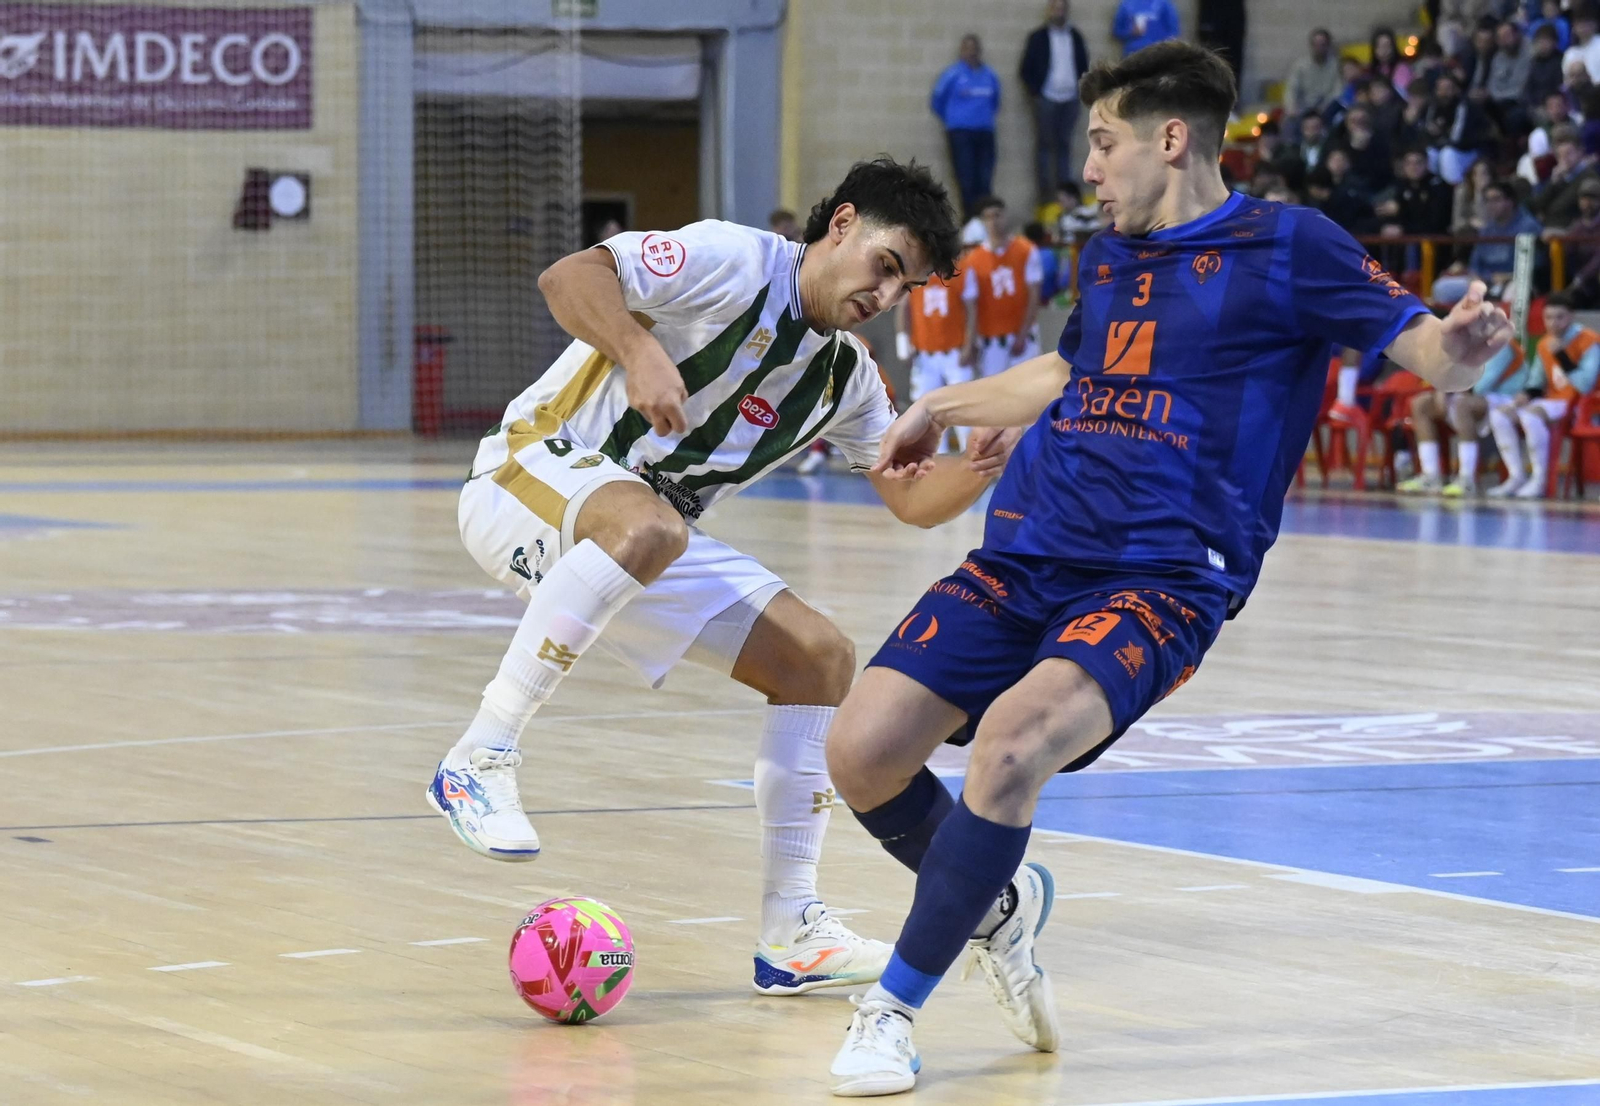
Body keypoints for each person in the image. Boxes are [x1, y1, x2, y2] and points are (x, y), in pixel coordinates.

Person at [823, 41, 1511, 1096]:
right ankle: (993, 904)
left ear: (1169, 139)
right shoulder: (1105, 257)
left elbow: (1425, 352)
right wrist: (937, 404)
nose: (1088, 169)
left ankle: (892, 1011)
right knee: (861, 748)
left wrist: (1463, 340)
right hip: (1027, 550)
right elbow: (1065, 369)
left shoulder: (1290, 245)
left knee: (1009, 747)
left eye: (1102, 144)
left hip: (1160, 576)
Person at [433, 157, 1018, 999]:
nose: (887, 296)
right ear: (842, 224)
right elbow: (566, 275)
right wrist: (637, 349)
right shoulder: (736, 260)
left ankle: (793, 930)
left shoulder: (847, 375)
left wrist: (977, 467)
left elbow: (909, 500)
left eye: (907, 288)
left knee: (817, 658)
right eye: (887, 267)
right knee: (650, 525)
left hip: (650, 533)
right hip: (530, 471)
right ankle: (477, 758)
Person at [1487, 290, 1600, 496]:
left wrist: (1562, 355)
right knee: (1500, 414)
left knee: (1531, 415)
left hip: (1581, 404)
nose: (1553, 323)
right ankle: (1516, 476)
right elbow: (1536, 383)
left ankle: (1540, 479)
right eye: (1548, 317)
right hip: (1553, 401)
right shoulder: (1544, 344)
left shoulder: (1589, 341)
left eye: (1560, 317)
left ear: (1571, 316)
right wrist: (1521, 399)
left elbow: (1585, 385)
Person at [1396, 340, 1526, 495]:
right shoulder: (1464, 344)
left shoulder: (1502, 347)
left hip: (1506, 400)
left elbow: (1481, 386)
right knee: (1421, 404)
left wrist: (1446, 390)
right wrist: (1442, 390)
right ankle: (1430, 476)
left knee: (1461, 405)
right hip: (1468, 395)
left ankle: (1467, 479)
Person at [961, 197, 1043, 381]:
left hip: (1023, 334)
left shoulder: (1026, 250)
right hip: (991, 339)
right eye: (987, 217)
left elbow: (1034, 295)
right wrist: (971, 342)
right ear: (982, 222)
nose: (993, 222)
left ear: (1005, 216)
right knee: (995, 392)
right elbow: (971, 306)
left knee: (1030, 387)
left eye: (997, 215)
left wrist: (1023, 333)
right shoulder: (973, 260)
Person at [1020, 0, 1092, 203]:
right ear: (1049, 11)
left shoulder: (1075, 36)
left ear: (1067, 11)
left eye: (1062, 8)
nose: (1059, 12)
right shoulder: (1038, 37)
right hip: (1047, 98)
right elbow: (1025, 68)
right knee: (1044, 145)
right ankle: (1046, 194)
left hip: (1070, 98)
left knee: (1064, 145)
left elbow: (1083, 64)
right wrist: (1036, 91)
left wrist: (1080, 87)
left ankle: (1065, 194)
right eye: (1055, 8)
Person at [1434, 180, 1543, 303]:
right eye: (1488, 200)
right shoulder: (1487, 229)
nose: (1491, 205)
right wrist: (1478, 277)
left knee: (1513, 294)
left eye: (1496, 199)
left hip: (1515, 281)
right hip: (1487, 280)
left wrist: (1508, 276)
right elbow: (1475, 261)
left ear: (1510, 201)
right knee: (1441, 288)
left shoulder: (1528, 226)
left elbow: (1536, 264)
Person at [931, 35, 1002, 217]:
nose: (971, 52)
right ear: (962, 51)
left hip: (985, 132)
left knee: (985, 179)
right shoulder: (952, 74)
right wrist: (954, 119)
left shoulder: (989, 75)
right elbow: (937, 101)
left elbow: (995, 101)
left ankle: (985, 218)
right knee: (966, 179)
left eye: (974, 48)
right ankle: (970, 219)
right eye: (967, 48)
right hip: (960, 133)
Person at [1285, 29, 1343, 129]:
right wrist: (1291, 107)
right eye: (1316, 44)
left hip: (1326, 110)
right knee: (1288, 123)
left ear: (1328, 46)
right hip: (1303, 109)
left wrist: (1323, 109)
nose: (1319, 48)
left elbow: (1337, 92)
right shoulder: (1300, 66)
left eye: (1322, 44)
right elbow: (1292, 89)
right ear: (1311, 46)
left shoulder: (1336, 66)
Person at [1112, 0, 1179, 57]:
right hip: (1134, 53)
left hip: (1158, 52)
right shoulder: (1127, 4)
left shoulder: (1163, 4)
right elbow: (1117, 31)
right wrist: (1131, 32)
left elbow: (1173, 30)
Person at [1370, 27, 1415, 97]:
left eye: (1387, 46)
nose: (1383, 50)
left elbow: (1402, 94)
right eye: (1379, 46)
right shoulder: (1373, 70)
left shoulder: (1402, 69)